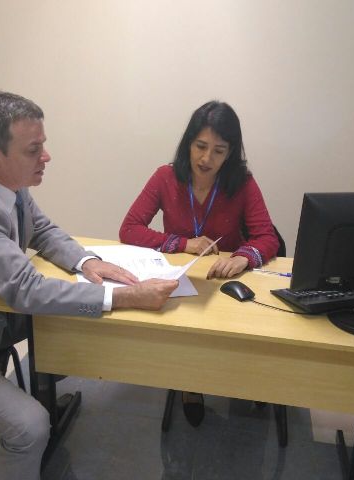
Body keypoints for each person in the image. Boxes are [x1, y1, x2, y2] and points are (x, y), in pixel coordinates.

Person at [0, 91, 178, 480]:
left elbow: (40, 228)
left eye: (43, 144)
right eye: (34, 149)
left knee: (66, 332)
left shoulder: (4, 181)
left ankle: (50, 382)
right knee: (30, 426)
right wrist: (127, 296)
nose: (46, 156)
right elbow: (27, 290)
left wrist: (87, 261)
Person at [119, 100, 279, 426]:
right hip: (182, 280)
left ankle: (244, 379)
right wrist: (182, 243)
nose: (206, 159)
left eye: (219, 151)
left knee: (237, 336)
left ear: (230, 153)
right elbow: (129, 228)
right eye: (200, 146)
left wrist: (243, 256)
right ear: (188, 144)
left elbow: (267, 237)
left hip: (224, 282)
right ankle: (190, 385)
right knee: (187, 331)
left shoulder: (242, 184)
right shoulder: (165, 177)